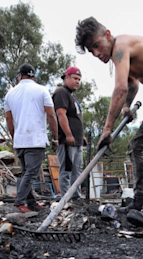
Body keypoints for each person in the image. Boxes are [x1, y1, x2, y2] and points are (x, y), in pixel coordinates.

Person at [75, 17, 143, 229]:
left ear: (107, 34)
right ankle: (140, 199)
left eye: (97, 45)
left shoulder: (121, 48)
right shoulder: (122, 51)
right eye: (92, 51)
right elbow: (132, 84)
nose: (97, 53)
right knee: (135, 146)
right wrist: (127, 106)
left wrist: (107, 129)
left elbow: (120, 89)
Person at [4, 63, 59, 213]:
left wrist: (14, 137)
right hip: (35, 140)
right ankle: (19, 202)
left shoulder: (10, 94)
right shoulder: (42, 90)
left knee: (26, 171)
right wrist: (55, 137)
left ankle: (31, 202)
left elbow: (8, 120)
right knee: (31, 173)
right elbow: (51, 115)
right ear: (33, 76)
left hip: (20, 140)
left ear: (20, 76)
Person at [53, 66, 85, 200]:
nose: (77, 81)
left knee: (77, 170)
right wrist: (68, 135)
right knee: (66, 169)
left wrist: (80, 135)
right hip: (67, 141)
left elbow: (75, 117)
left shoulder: (72, 95)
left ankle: (76, 196)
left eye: (79, 79)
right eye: (75, 78)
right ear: (67, 77)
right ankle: (65, 197)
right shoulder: (61, 92)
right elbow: (61, 114)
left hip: (76, 140)